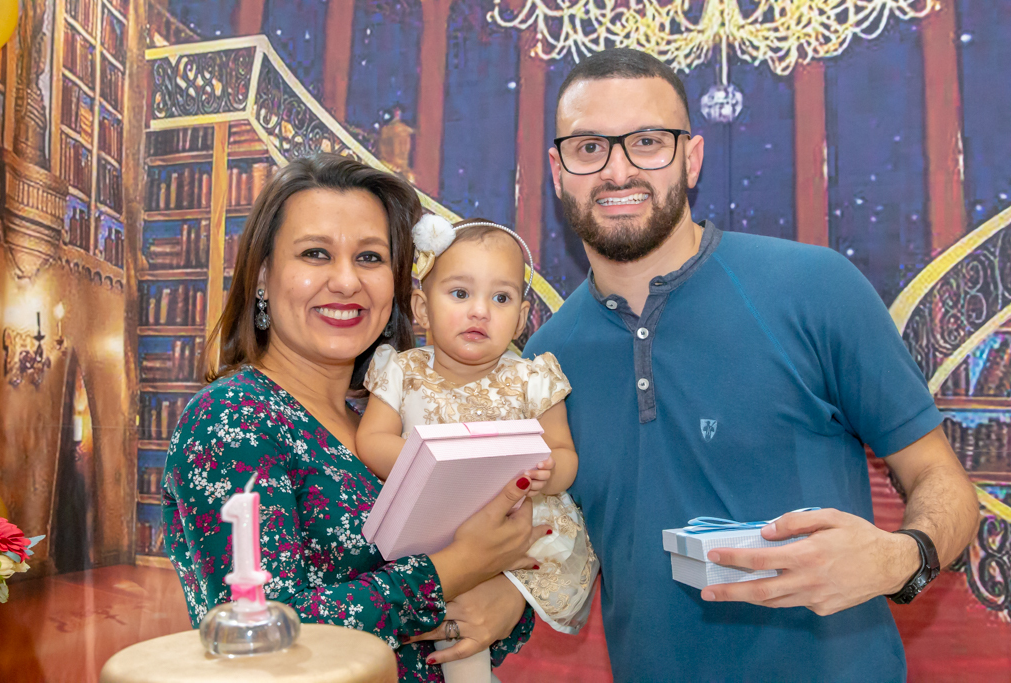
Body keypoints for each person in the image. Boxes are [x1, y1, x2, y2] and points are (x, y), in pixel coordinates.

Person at [522, 48, 980, 681]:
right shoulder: (543, 364)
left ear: (692, 156)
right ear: (557, 168)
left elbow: (943, 480)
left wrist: (900, 559)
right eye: (589, 147)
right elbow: (536, 546)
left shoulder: (817, 287)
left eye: (648, 142)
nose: (618, 170)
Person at [161, 154, 547, 681]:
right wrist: (453, 572)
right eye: (316, 253)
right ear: (262, 277)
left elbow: (486, 578)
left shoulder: (389, 417)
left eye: (370, 258)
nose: (346, 281)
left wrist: (507, 597)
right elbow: (260, 635)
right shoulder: (231, 419)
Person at [355, 216, 599, 646]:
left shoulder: (532, 378)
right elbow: (371, 440)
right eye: (460, 293)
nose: (480, 311)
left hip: (516, 526)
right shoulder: (403, 370)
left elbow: (564, 452)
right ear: (421, 307)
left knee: (483, 627)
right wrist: (434, 466)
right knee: (441, 619)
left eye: (501, 298)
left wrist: (548, 471)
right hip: (431, 521)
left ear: (523, 317)